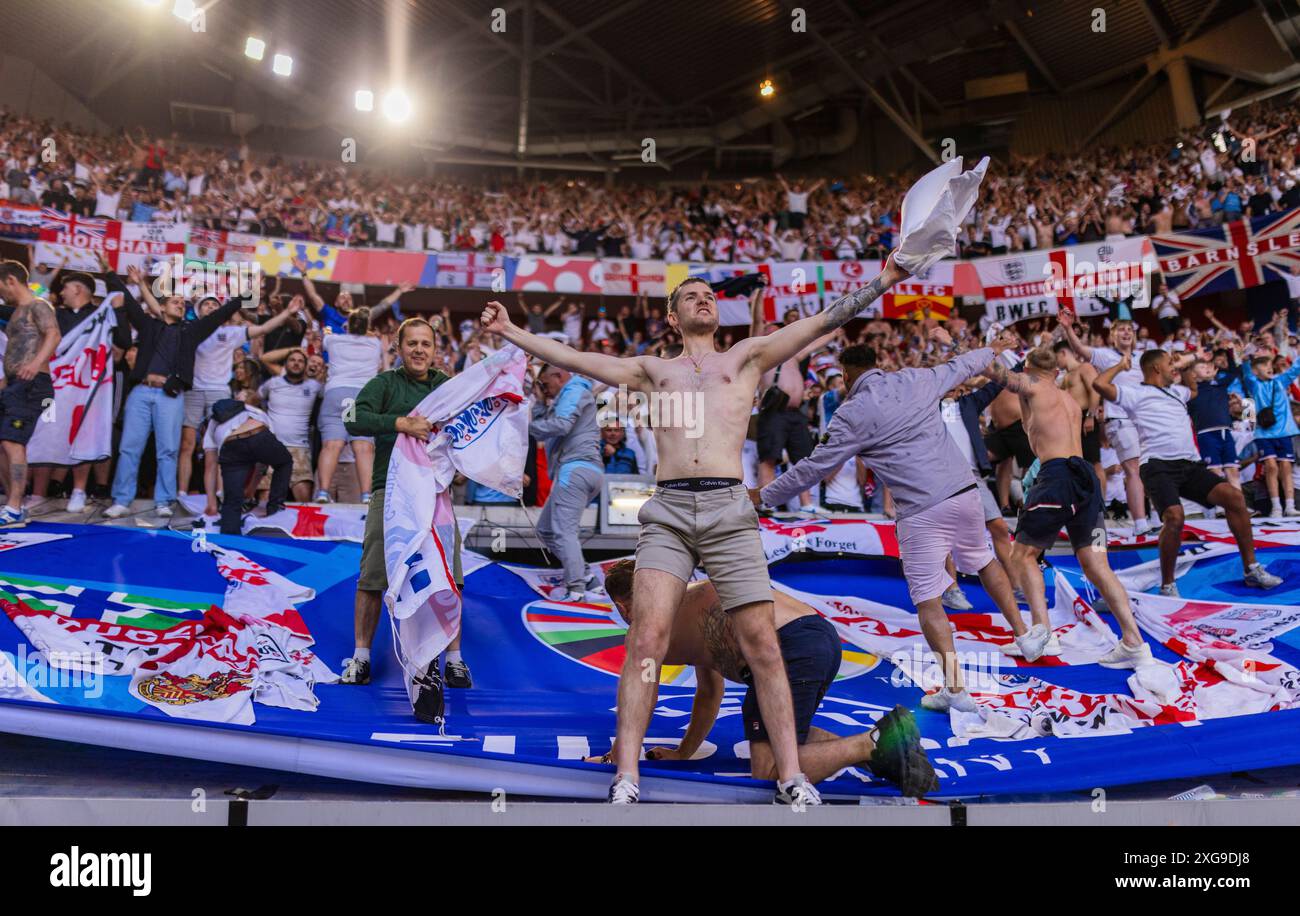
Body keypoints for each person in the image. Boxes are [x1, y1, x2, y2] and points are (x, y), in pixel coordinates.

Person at [480, 258, 913, 806]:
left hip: (730, 508)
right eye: (692, 297)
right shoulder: (653, 371)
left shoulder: (747, 356)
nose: (704, 300)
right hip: (669, 510)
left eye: (710, 295)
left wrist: (887, 280)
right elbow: (574, 357)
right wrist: (512, 331)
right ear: (673, 317)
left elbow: (824, 321)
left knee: (761, 642)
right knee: (646, 639)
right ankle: (627, 775)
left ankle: (790, 776)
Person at [756, 339, 1045, 714]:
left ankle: (955, 689)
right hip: (963, 491)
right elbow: (964, 365)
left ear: (845, 376)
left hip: (921, 510)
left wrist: (764, 495)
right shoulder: (915, 379)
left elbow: (814, 468)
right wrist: (994, 346)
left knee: (928, 601)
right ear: (876, 362)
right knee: (985, 560)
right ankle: (1023, 635)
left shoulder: (850, 413)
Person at [593, 559, 937, 797]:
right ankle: (892, 753)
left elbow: (644, 696)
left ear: (623, 607)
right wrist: (684, 752)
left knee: (770, 771)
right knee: (788, 736)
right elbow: (709, 691)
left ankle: (871, 742)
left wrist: (616, 757)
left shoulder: (648, 626)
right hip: (818, 636)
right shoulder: (687, 597)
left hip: (789, 646)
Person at [983, 348, 1152, 668]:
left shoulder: (1032, 386)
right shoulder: (1070, 400)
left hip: (1056, 476)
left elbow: (994, 372)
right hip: (1086, 478)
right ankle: (1133, 641)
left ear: (1029, 367)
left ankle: (1042, 634)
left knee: (1022, 554)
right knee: (1096, 562)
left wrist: (962, 345)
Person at [340, 318, 472, 690]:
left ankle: (455, 661)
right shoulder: (385, 383)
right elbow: (351, 418)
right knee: (372, 576)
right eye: (411, 343)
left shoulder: (448, 387)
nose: (418, 350)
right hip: (392, 491)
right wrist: (401, 422)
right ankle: (361, 657)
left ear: (435, 350)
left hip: (436, 493)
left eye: (425, 344)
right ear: (398, 348)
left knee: (451, 576)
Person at [1093, 349, 1282, 594]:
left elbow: (1192, 390)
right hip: (1158, 466)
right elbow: (1099, 383)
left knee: (1234, 498)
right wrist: (1121, 365)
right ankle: (1168, 584)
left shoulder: (1177, 392)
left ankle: (1251, 569)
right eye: (1169, 363)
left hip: (1189, 465)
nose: (1174, 367)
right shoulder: (1135, 393)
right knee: (1174, 517)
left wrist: (1185, 366)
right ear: (1156, 368)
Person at [101, 261, 244, 519]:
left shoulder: (191, 333)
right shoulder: (148, 325)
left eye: (183, 303)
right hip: (141, 393)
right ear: (162, 307)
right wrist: (109, 272)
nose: (180, 304)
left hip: (170, 396)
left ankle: (164, 500)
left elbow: (220, 315)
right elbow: (128, 301)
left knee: (167, 450)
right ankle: (122, 499)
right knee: (129, 448)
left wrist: (239, 288)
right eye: (175, 301)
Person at [179, 291, 297, 497]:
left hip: (219, 393)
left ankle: (219, 493)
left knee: (219, 445)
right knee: (187, 443)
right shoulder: (191, 331)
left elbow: (264, 328)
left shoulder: (231, 332)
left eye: (215, 304)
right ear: (198, 311)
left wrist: (288, 312)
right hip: (194, 391)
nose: (210, 307)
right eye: (205, 304)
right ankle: (181, 492)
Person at [1056, 310, 1158, 535]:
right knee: (1132, 469)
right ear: (1112, 335)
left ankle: (1157, 516)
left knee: (1151, 467)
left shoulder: (1144, 356)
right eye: (1121, 329)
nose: (1126, 333)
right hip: (1120, 419)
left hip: (1145, 419)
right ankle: (1140, 523)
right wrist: (1067, 328)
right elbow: (1080, 349)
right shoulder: (1105, 356)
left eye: (1129, 329)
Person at [531, 363, 604, 601]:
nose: (544, 388)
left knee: (563, 533)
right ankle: (588, 580)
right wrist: (541, 402)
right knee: (546, 530)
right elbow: (551, 425)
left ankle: (576, 591)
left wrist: (521, 426)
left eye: (545, 383)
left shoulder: (574, 390)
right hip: (580, 470)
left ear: (559, 375)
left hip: (575, 470)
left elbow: (560, 426)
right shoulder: (566, 395)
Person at [0, 260, 60, 527]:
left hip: (33, 383)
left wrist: (35, 363)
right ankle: (15, 505)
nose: (1, 294)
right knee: (3, 445)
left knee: (13, 442)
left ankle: (14, 506)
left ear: (11, 280)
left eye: (1, 287)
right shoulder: (16, 311)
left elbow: (54, 334)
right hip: (14, 385)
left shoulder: (39, 305)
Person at [203, 398, 290, 535]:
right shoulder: (255, 411)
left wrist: (212, 503)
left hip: (230, 444)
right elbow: (263, 463)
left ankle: (230, 541)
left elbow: (210, 466)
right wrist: (250, 491)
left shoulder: (212, 424)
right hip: (257, 432)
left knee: (232, 501)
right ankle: (275, 509)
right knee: (284, 462)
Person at [1238, 339, 1300, 519]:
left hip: (1285, 431)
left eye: (1269, 364)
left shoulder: (1281, 381)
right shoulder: (1254, 385)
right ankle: (1276, 507)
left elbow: (1295, 369)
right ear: (1256, 371)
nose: (1269, 367)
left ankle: (1289, 506)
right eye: (1264, 365)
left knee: (1286, 466)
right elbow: (1245, 371)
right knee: (1271, 467)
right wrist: (1247, 355)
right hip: (1264, 433)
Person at [255, 349, 322, 503]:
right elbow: (252, 401)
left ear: (305, 366)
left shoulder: (315, 386)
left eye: (300, 361)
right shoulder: (273, 383)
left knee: (304, 497)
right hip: (271, 446)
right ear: (285, 364)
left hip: (299, 449)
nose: (296, 363)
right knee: (265, 497)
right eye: (292, 359)